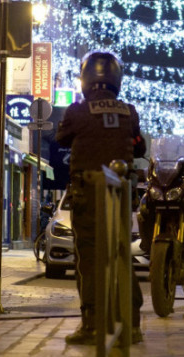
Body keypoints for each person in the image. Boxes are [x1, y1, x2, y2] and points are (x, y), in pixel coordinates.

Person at [56, 51, 146, 345]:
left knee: (90, 259)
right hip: (120, 196)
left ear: (85, 79)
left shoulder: (77, 111)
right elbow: (140, 144)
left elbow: (61, 138)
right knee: (121, 255)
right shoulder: (128, 111)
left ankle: (92, 324)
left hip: (88, 195)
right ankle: (131, 324)